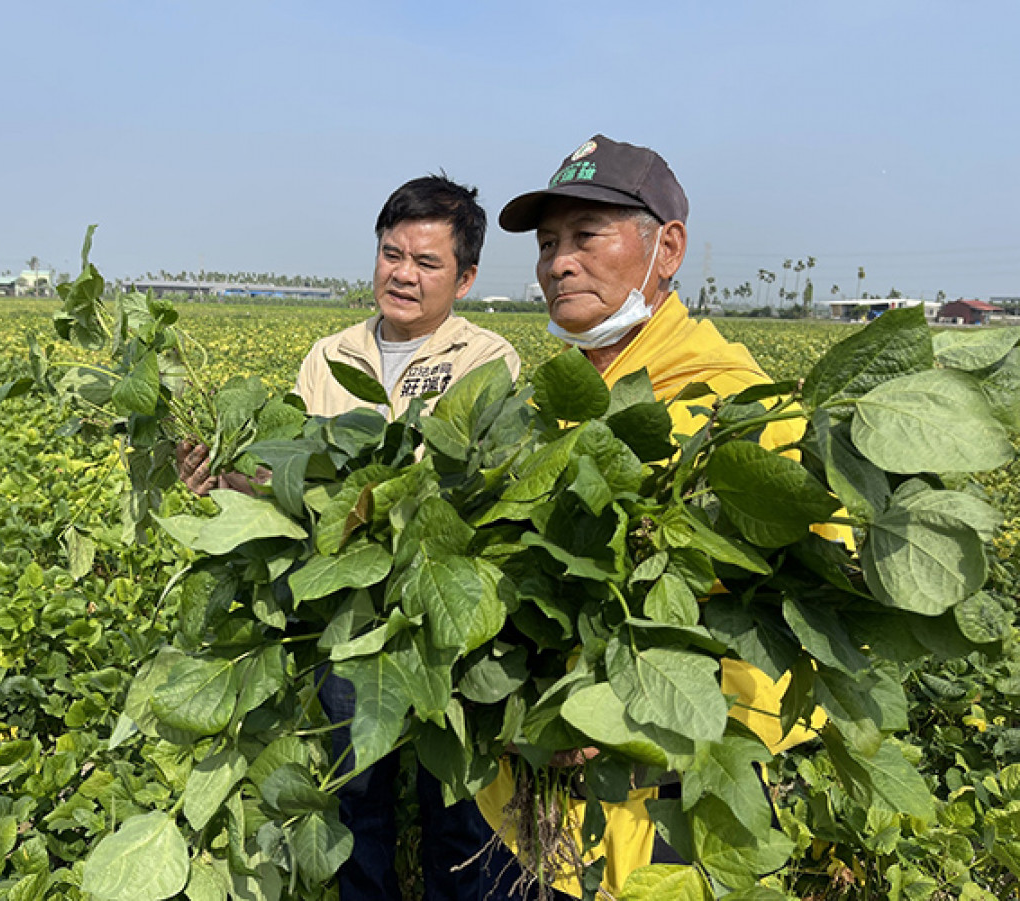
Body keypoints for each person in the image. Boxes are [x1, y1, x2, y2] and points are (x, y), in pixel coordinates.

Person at [476, 135, 824, 897]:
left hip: (664, 801)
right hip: (527, 809)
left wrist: (618, 721)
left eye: (585, 236)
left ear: (667, 247)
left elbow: (793, 613)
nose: (558, 262)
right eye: (547, 243)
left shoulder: (733, 403)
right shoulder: (546, 402)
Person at [177, 174, 522, 900]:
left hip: (440, 617)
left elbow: (458, 490)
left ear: (466, 276)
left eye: (427, 262)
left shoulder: (488, 360)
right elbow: (292, 483)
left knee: (457, 803)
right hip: (344, 619)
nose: (402, 273)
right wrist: (231, 478)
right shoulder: (328, 356)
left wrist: (362, 493)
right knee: (353, 795)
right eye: (391, 252)